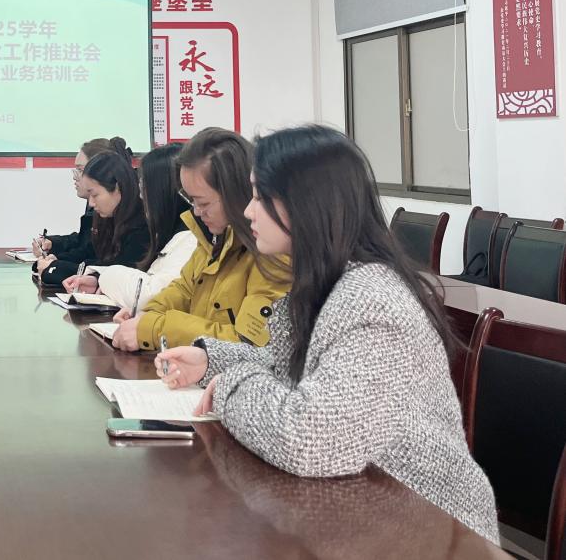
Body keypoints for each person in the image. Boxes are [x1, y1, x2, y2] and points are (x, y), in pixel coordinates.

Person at [155, 125, 499, 543]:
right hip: (370, 510)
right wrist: (212, 360)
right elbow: (296, 369)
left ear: (304, 204)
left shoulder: (372, 299)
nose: (247, 211)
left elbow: (309, 439)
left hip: (433, 529)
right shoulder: (330, 282)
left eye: (260, 197)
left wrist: (231, 385)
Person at [110, 127, 290, 352]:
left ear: (236, 194)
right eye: (190, 200)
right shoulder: (214, 238)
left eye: (203, 203)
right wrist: (147, 315)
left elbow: (248, 344)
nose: (196, 211)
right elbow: (183, 290)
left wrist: (154, 328)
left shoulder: (273, 252)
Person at [63, 143, 196, 313]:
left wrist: (104, 276)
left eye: (144, 188)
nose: (141, 196)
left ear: (162, 192)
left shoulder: (188, 237)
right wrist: (97, 278)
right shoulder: (170, 232)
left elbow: (148, 296)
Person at [35, 149, 149, 287]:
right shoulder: (107, 217)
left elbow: (117, 271)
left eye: (95, 195)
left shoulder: (141, 226)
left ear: (117, 188)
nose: (91, 203)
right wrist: (55, 260)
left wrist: (56, 268)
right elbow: (90, 253)